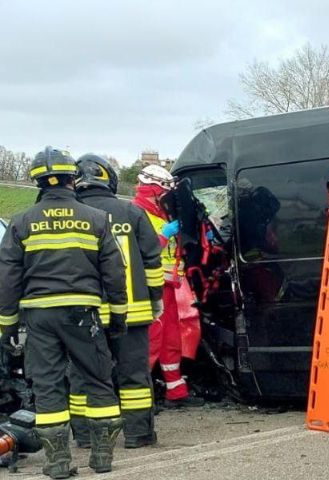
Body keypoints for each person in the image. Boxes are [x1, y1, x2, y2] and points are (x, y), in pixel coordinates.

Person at [0, 147, 126, 477]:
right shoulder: (96, 219)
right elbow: (115, 272)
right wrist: (119, 317)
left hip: (39, 318)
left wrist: (8, 325)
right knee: (99, 380)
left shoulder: (21, 222)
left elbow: (8, 278)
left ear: (37, 183)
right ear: (73, 179)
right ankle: (102, 459)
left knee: (47, 385)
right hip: (84, 314)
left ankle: (57, 463)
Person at [67, 154, 164, 449]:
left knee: (83, 376)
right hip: (133, 314)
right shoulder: (131, 212)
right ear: (108, 178)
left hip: (84, 313)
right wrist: (156, 299)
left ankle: (85, 436)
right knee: (134, 374)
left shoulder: (70, 214)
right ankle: (138, 435)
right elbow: (152, 261)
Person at [132, 165, 204, 408]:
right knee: (151, 340)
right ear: (152, 190)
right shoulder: (136, 214)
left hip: (169, 285)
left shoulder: (161, 213)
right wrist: (164, 234)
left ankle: (176, 391)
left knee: (171, 339)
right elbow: (141, 252)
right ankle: (140, 397)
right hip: (148, 287)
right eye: (163, 193)